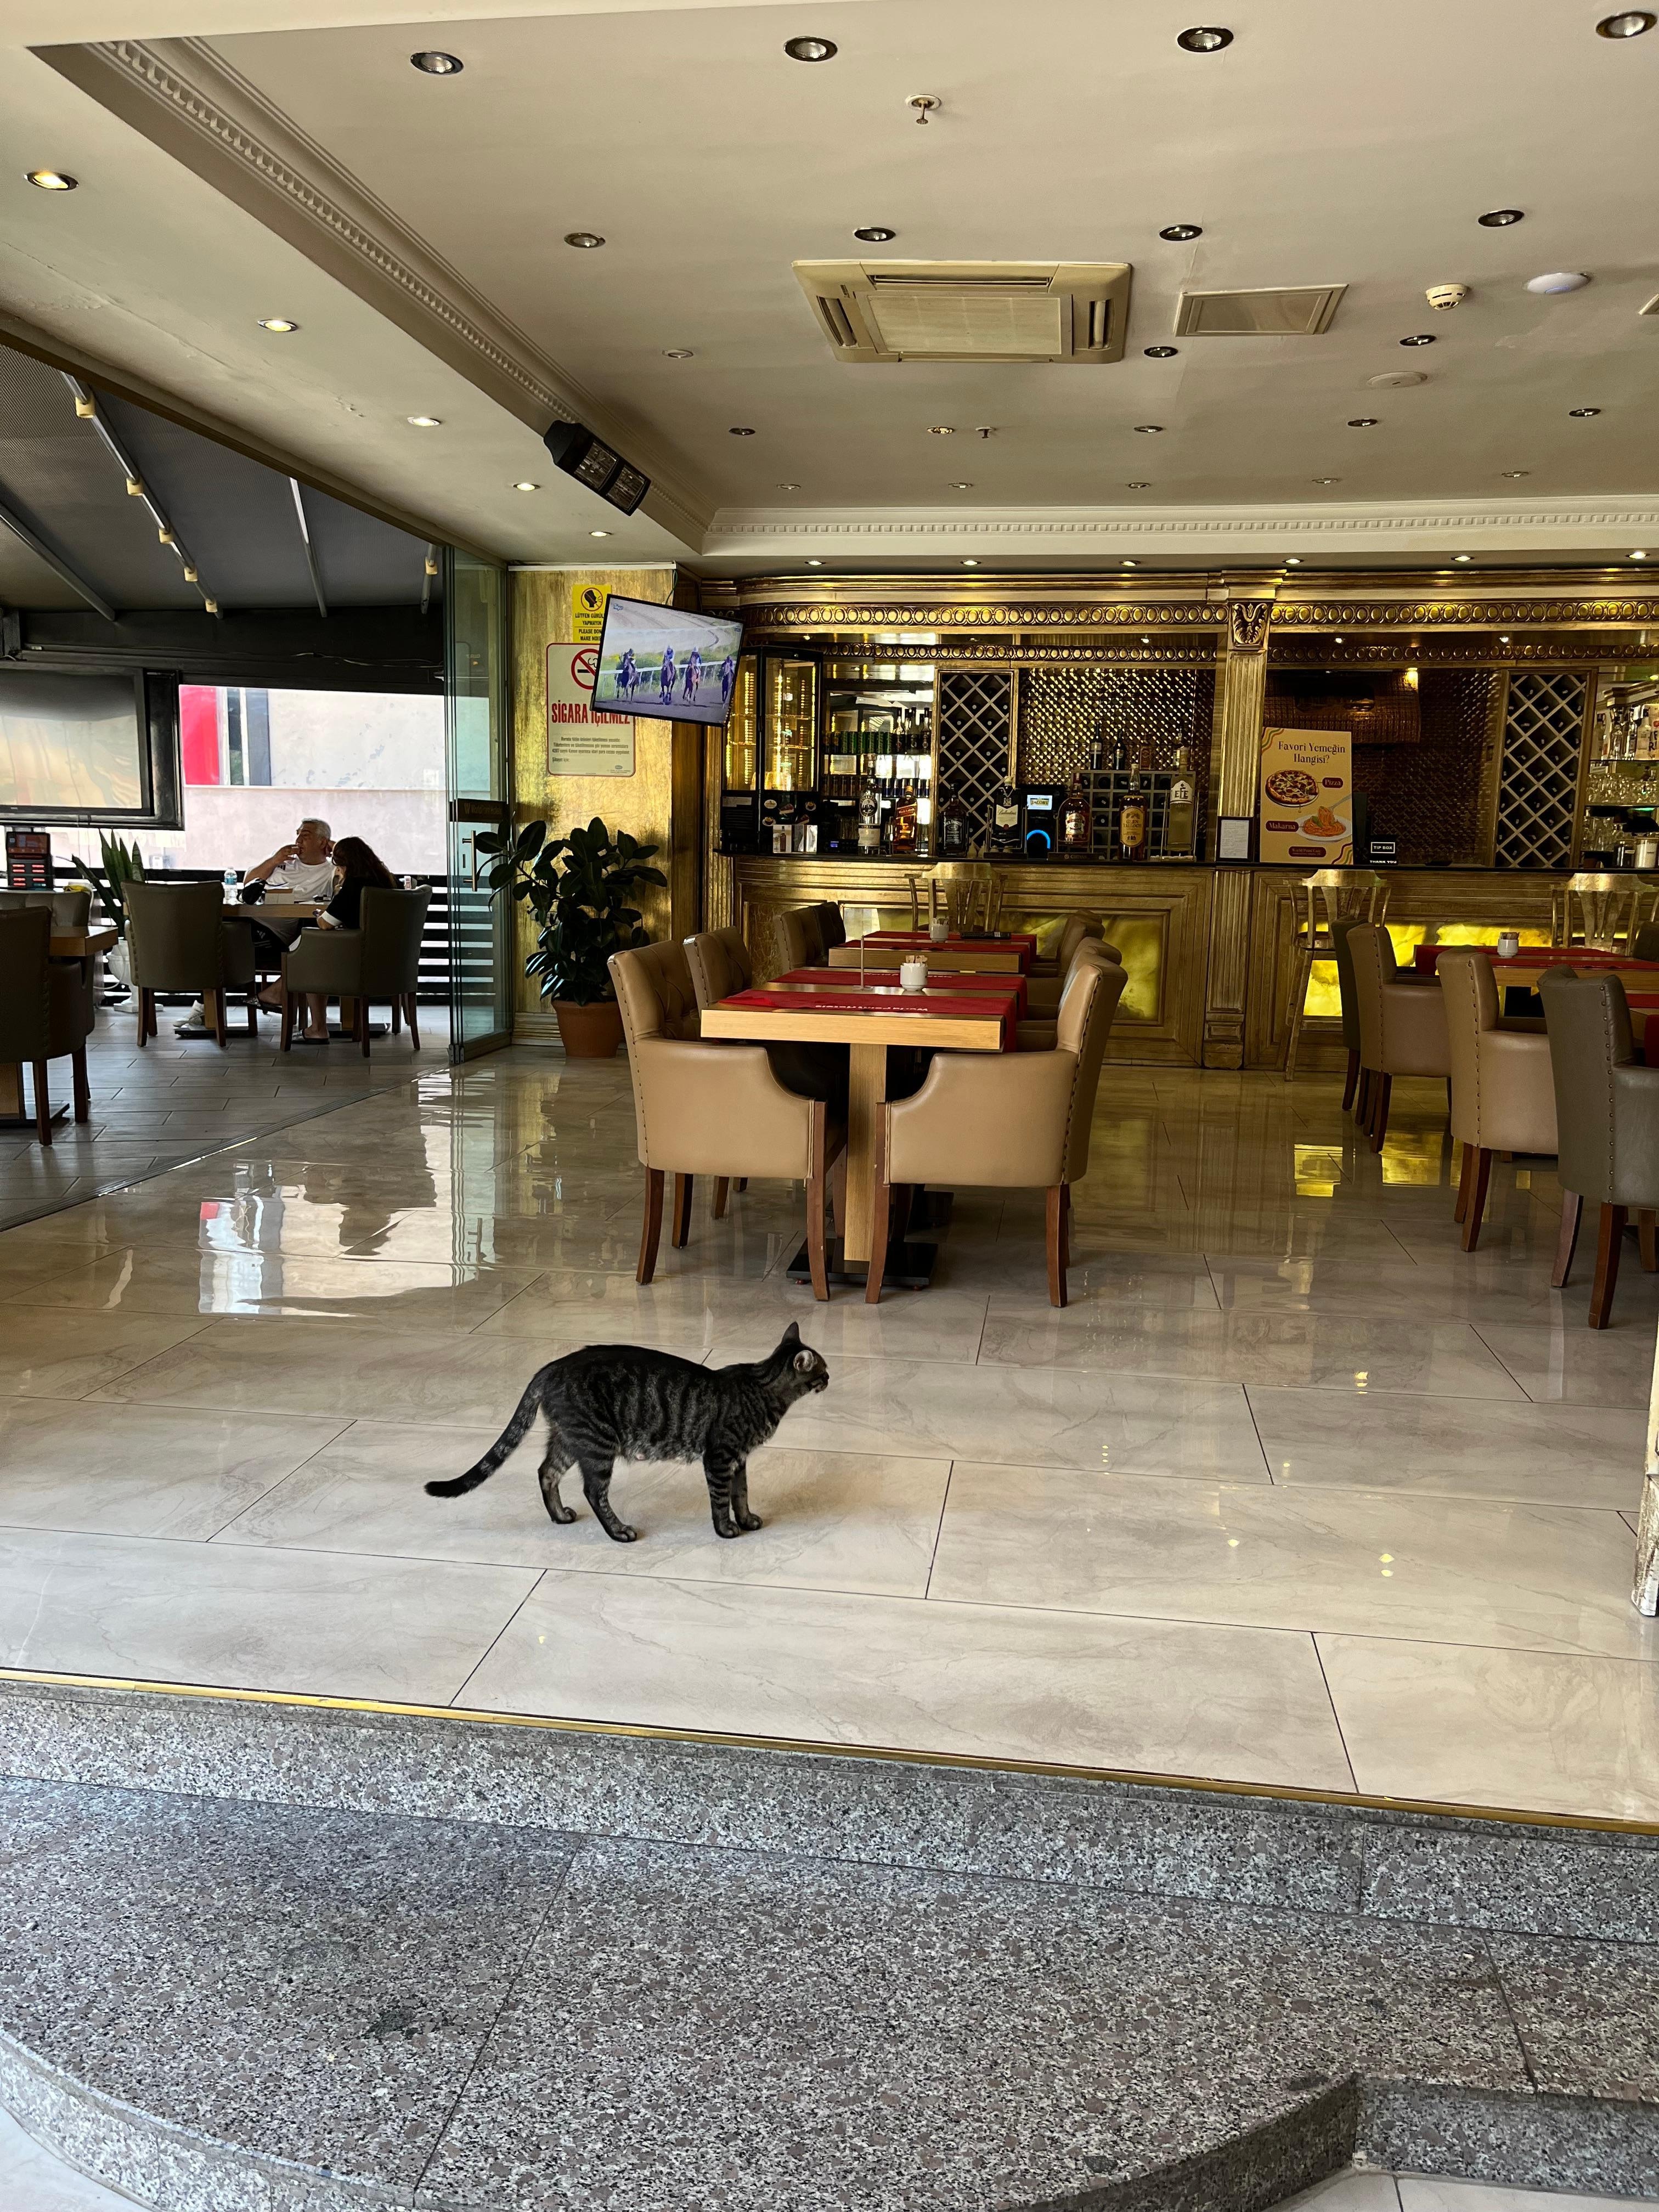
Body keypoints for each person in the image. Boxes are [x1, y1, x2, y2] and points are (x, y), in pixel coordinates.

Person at [177, 817, 336, 1035]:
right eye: (298, 834)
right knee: (211, 934)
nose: (298, 840)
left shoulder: (331, 871)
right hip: (251, 921)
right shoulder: (283, 862)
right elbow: (248, 882)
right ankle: (208, 1009)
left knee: (217, 942)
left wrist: (337, 847)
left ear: (323, 842)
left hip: (276, 936)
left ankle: (206, 1009)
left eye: (306, 836)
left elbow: (366, 871)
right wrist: (275, 859)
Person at [291, 835, 397, 1042]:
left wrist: (319, 912)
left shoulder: (354, 886)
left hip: (356, 963)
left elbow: (325, 924)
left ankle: (315, 1026)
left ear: (344, 865)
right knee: (312, 952)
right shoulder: (387, 881)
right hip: (390, 961)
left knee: (308, 953)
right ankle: (277, 994)